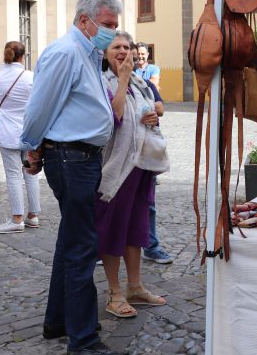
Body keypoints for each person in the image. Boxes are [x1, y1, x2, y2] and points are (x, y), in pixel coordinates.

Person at [21, 0, 122, 355]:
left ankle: (58, 321)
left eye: (114, 25)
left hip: (82, 158)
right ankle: (84, 340)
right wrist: (31, 147)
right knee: (82, 247)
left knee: (71, 242)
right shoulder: (65, 52)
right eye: (107, 25)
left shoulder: (88, 53)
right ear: (85, 20)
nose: (112, 32)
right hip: (71, 159)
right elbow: (39, 108)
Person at [96, 31, 167, 319]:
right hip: (116, 166)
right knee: (113, 228)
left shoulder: (141, 82)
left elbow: (156, 106)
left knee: (136, 227)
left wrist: (154, 114)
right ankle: (114, 293)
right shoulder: (101, 82)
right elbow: (113, 116)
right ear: (105, 53)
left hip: (142, 164)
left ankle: (135, 286)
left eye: (127, 46)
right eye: (117, 47)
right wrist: (123, 79)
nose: (124, 51)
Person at [0, 41, 40, 234]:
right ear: (22, 56)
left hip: (7, 133)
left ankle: (17, 218)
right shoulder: (32, 78)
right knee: (31, 172)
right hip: (28, 131)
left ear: (5, 55)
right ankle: (33, 215)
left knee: (13, 175)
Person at [134, 43, 173, 264]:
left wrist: (146, 110)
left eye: (136, 57)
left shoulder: (145, 83)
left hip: (145, 149)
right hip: (116, 152)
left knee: (148, 203)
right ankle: (106, 247)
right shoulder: (106, 82)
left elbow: (159, 109)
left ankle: (151, 246)